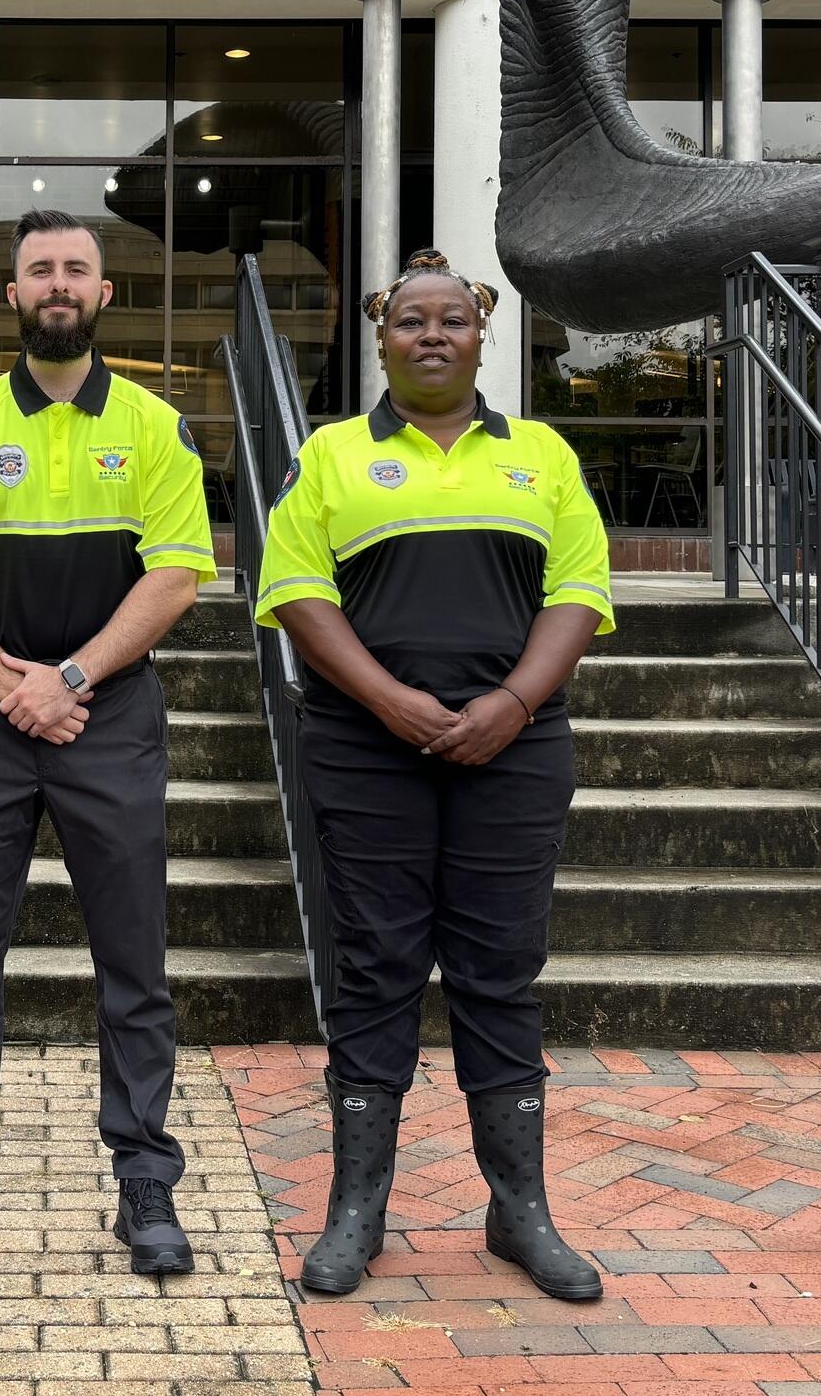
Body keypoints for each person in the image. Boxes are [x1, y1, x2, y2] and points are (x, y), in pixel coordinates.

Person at [256, 249, 613, 1302]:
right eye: (409, 320)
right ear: (381, 338)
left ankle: (519, 1213)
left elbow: (579, 590)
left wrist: (510, 704)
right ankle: (356, 1212)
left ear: (479, 335)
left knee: (501, 969)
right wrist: (390, 701)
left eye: (450, 320)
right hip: (367, 750)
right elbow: (295, 591)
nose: (430, 335)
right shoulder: (328, 456)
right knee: (373, 969)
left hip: (517, 750)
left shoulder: (541, 455)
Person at [0, 209, 217, 1277]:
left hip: (106, 713)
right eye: (40, 271)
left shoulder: (157, 427)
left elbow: (176, 572)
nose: (59, 284)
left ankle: (146, 1183)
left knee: (133, 960)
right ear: (13, 295)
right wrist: (13, 686)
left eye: (77, 269)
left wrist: (68, 680)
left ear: (105, 294)